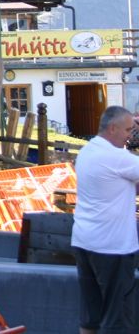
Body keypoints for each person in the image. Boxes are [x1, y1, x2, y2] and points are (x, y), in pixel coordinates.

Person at [71, 105, 139, 334]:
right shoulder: (117, 157)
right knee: (117, 318)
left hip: (84, 242)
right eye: (128, 130)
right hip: (113, 248)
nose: (131, 135)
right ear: (113, 128)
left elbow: (121, 185)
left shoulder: (88, 151)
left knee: (91, 316)